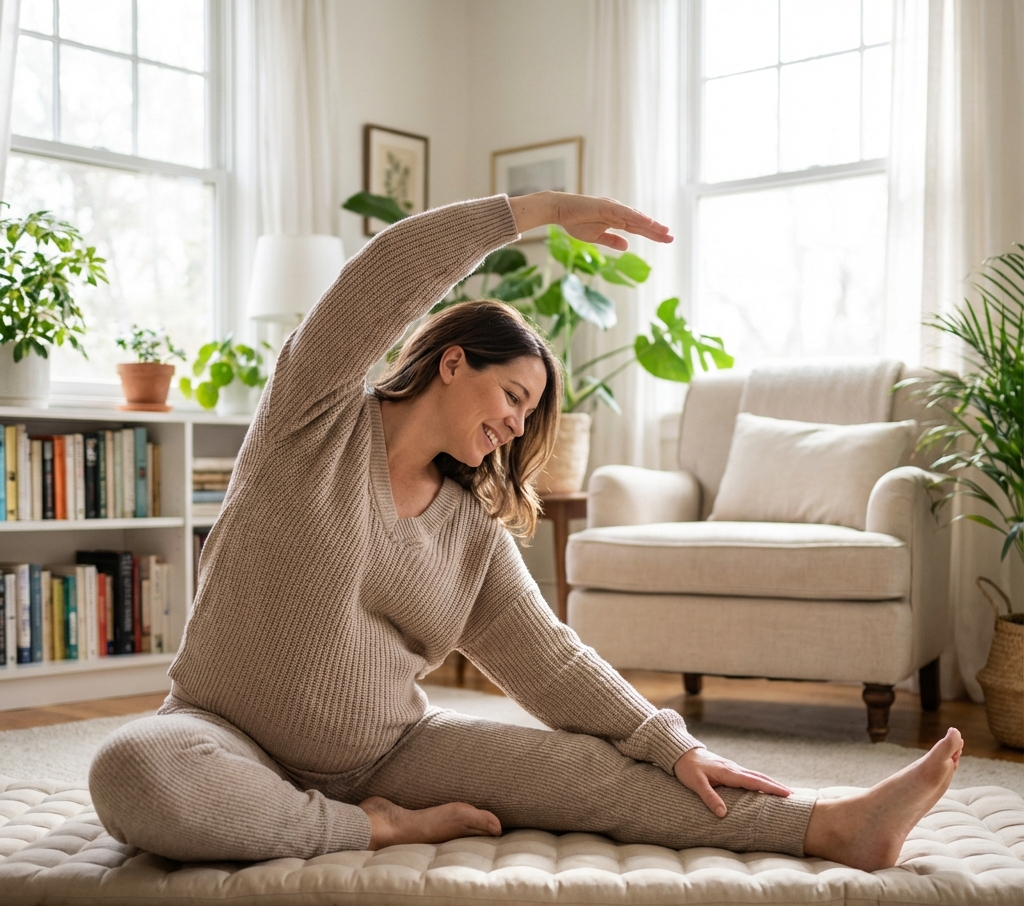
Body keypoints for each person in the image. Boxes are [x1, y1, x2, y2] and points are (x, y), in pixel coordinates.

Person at [89, 192, 963, 871]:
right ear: (451, 361)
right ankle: (365, 830)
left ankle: (830, 826)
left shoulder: (470, 526)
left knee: (594, 774)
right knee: (132, 773)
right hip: (220, 731)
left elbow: (551, 661)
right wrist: (533, 213)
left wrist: (671, 742)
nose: (516, 427)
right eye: (513, 396)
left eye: (528, 414)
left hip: (392, 753)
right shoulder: (308, 418)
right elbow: (385, 272)